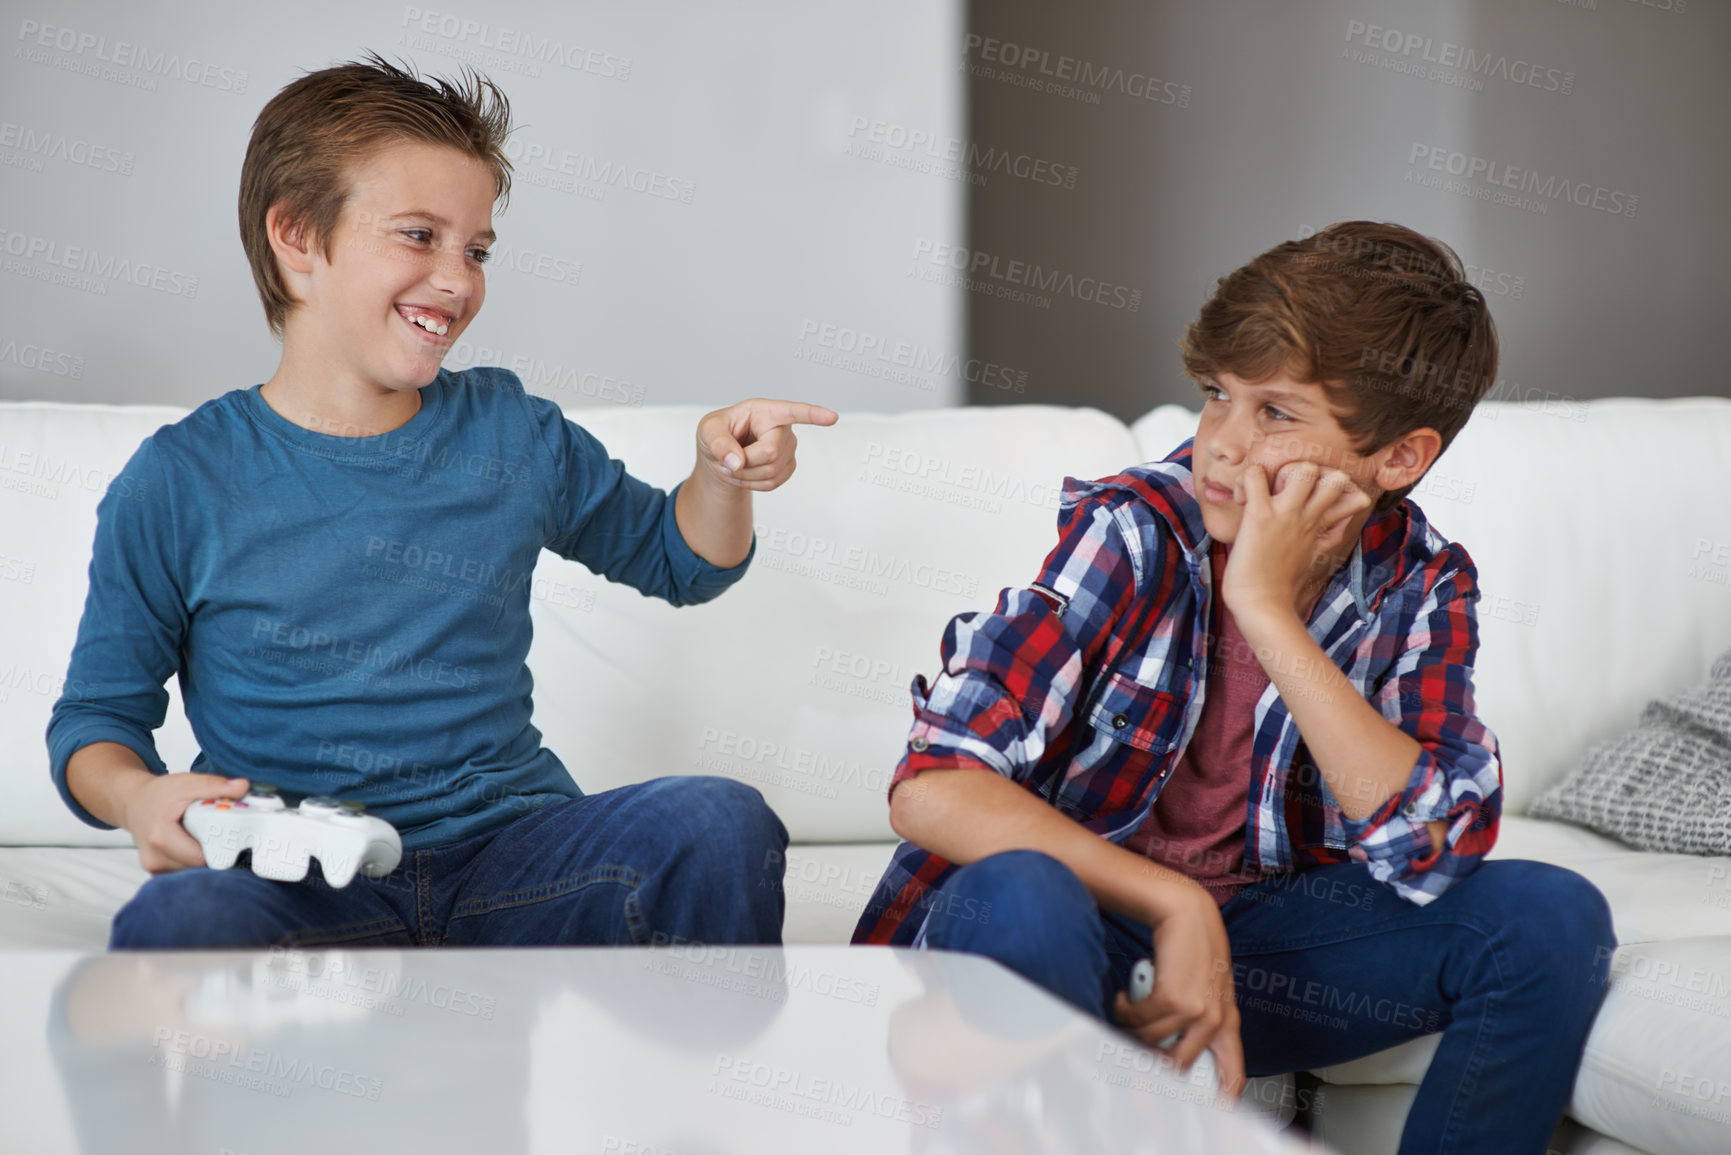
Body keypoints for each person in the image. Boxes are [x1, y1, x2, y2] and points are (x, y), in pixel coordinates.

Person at [853, 222, 1615, 1152]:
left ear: (1400, 459)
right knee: (1019, 889)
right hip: (1066, 929)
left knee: (1548, 916)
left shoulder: (1421, 581)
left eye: (1276, 414)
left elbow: (1430, 845)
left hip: (1263, 951)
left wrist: (1266, 610)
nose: (1217, 444)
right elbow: (933, 782)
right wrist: (1172, 904)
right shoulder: (1136, 531)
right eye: (1217, 396)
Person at [47, 54, 834, 951]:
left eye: (476, 248)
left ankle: (702, 1090)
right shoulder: (178, 480)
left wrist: (722, 479)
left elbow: (680, 559)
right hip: (301, 876)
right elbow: (96, 723)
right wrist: (139, 794)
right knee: (179, 921)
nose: (458, 280)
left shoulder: (512, 432)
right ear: (298, 239)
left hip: (512, 856)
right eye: (419, 235)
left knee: (719, 823)